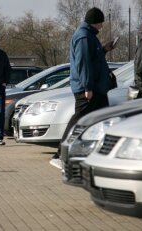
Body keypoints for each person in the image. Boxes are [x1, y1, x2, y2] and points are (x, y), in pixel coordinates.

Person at [53, 7, 116, 159]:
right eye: (101, 23)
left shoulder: (88, 36)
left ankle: (99, 151)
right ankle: (62, 152)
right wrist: (88, 87)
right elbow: (83, 64)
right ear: (95, 22)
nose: (102, 26)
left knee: (101, 119)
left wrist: (104, 49)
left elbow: (92, 58)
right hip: (89, 88)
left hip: (96, 87)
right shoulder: (84, 37)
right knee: (79, 121)